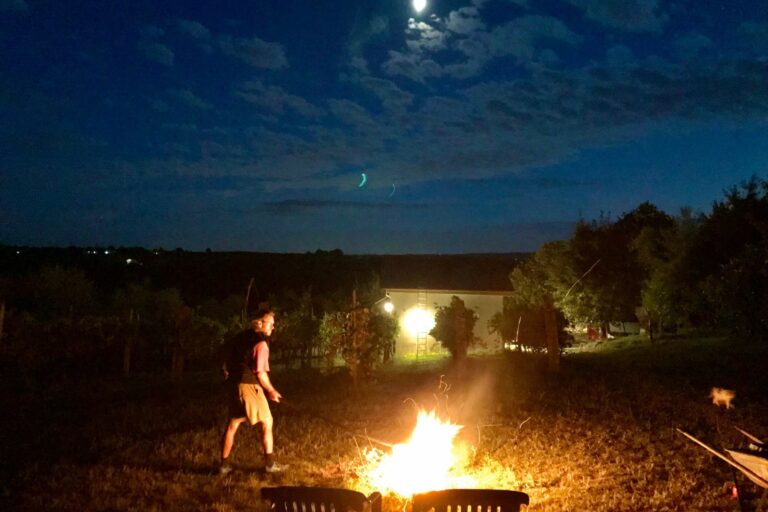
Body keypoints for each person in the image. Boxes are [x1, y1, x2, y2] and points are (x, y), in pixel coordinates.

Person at [219, 309, 286, 475]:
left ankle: (224, 465)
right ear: (260, 323)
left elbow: (224, 355)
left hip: (235, 385)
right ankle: (270, 465)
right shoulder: (261, 344)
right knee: (267, 421)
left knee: (233, 423)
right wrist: (271, 391)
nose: (273, 327)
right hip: (249, 386)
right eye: (270, 323)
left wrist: (227, 372)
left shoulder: (241, 336)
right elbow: (261, 373)